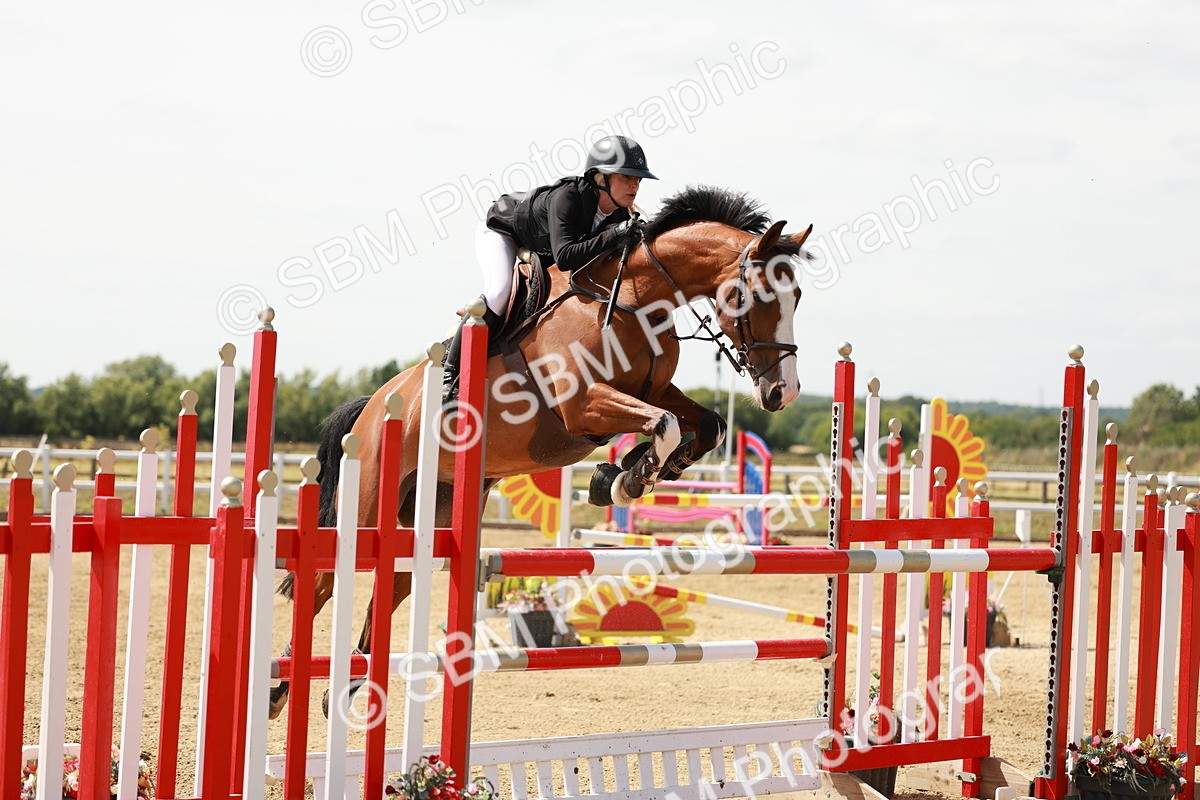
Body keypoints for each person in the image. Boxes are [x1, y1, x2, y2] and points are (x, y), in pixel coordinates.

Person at [442, 134, 658, 400]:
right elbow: (565, 257)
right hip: (503, 232)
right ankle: (449, 376)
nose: (635, 184)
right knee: (499, 292)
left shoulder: (620, 215)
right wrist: (616, 234)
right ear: (601, 179)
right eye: (626, 177)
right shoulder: (568, 197)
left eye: (638, 179)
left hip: (542, 248)